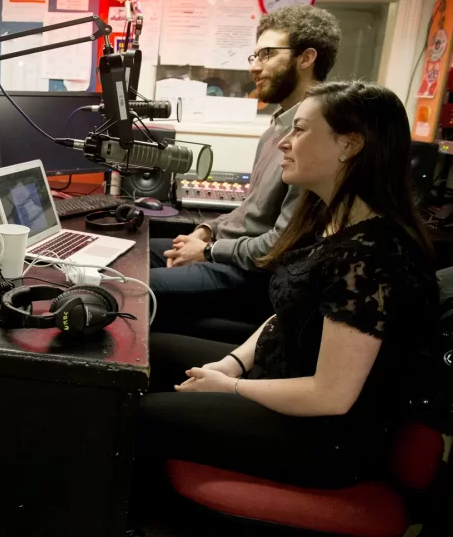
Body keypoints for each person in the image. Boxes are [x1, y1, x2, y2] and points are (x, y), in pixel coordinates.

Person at [134, 82, 438, 501]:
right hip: (279, 380)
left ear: (348, 145)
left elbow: (330, 395)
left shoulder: (371, 257)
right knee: (144, 356)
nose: (284, 143)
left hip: (323, 437)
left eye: (299, 130)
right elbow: (287, 313)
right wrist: (231, 364)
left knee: (137, 416)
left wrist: (232, 389)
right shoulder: (331, 223)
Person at [148, 6, 341, 336]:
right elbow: (250, 209)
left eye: (266, 54)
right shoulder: (274, 130)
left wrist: (208, 251)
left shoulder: (315, 143)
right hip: (227, 253)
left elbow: (280, 246)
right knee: (130, 253)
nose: (254, 67)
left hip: (250, 275)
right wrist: (206, 231)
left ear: (306, 58)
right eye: (254, 56)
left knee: (133, 287)